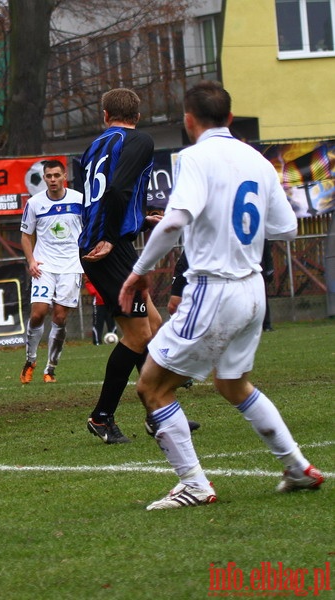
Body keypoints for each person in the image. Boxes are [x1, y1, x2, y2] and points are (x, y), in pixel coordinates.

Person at [119, 80, 323, 510]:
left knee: (152, 387)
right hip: (253, 290)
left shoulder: (194, 157)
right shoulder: (258, 160)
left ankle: (193, 483)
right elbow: (286, 227)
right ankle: (297, 467)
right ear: (230, 118)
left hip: (215, 288)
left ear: (189, 120)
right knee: (233, 383)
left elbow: (174, 222)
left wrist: (138, 272)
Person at [75, 88, 163, 444]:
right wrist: (111, 235)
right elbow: (115, 190)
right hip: (107, 249)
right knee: (139, 335)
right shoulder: (140, 140)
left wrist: (139, 221)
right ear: (137, 116)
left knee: (153, 325)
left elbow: (96, 198)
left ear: (106, 115)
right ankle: (101, 417)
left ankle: (160, 412)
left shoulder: (94, 147)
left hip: (108, 243)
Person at [19, 159, 83, 383]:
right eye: (49, 176)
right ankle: (30, 360)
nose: (53, 180)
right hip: (44, 266)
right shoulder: (35, 203)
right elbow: (26, 236)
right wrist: (31, 261)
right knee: (38, 313)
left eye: (57, 175)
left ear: (64, 176)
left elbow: (90, 229)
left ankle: (50, 369)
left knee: (60, 316)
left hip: (71, 266)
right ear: (44, 178)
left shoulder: (79, 200)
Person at [85, 277, 117, 345]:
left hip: (109, 302)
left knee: (111, 323)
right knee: (97, 324)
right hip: (98, 303)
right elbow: (88, 282)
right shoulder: (93, 271)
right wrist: (95, 293)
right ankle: (97, 342)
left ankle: (113, 341)